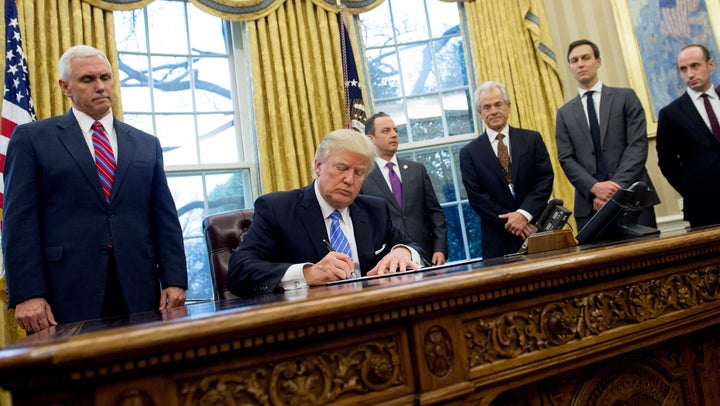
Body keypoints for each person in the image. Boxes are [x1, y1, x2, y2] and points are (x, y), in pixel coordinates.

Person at [2, 45, 187, 332]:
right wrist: (27, 294)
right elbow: (18, 222)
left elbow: (164, 217)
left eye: (105, 77)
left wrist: (175, 280)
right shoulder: (32, 138)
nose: (100, 86)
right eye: (88, 80)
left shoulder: (145, 143)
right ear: (66, 87)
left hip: (140, 289)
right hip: (64, 292)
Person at [227, 129, 423, 297]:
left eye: (359, 173)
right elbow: (239, 271)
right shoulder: (277, 208)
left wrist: (403, 251)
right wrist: (307, 273)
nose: (349, 180)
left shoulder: (375, 210)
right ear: (318, 166)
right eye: (342, 168)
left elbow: (413, 246)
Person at [555, 39, 658, 231]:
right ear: (570, 67)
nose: (580, 64)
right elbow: (566, 159)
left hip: (633, 199)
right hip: (590, 207)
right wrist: (595, 187)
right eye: (574, 60)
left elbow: (637, 146)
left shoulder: (626, 98)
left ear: (598, 62)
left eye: (586, 58)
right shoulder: (564, 114)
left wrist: (613, 190)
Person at [459, 81, 554, 259]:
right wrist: (514, 221)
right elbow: (477, 197)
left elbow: (544, 180)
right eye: (486, 107)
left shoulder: (532, 140)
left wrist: (524, 214)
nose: (493, 111)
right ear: (480, 113)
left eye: (498, 104)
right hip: (498, 240)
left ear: (508, 106)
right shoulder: (469, 153)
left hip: (536, 231)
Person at [360, 112, 448, 266]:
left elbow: (435, 212)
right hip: (385, 262)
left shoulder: (417, 170)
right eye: (386, 131)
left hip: (425, 255)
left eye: (395, 130)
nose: (394, 135)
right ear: (370, 139)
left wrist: (440, 248)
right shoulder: (363, 177)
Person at [657, 44, 720, 228]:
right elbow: (667, 164)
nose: (689, 74)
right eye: (683, 69)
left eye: (695, 66)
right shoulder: (670, 114)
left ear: (711, 64)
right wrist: (692, 189)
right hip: (704, 207)